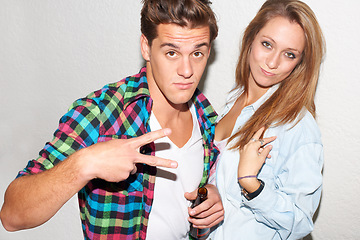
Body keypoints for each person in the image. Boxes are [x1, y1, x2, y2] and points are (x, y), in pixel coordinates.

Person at [0, 0, 225, 239]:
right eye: (172, 53)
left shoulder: (207, 116)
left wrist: (211, 202)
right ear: (146, 47)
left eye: (197, 53)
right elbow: (12, 216)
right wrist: (85, 163)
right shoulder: (101, 113)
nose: (187, 70)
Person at [211, 0, 325, 239]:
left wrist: (252, 185)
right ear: (251, 38)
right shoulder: (233, 100)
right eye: (267, 44)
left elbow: (301, 222)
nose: (273, 63)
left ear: (300, 63)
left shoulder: (297, 125)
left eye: (289, 54)